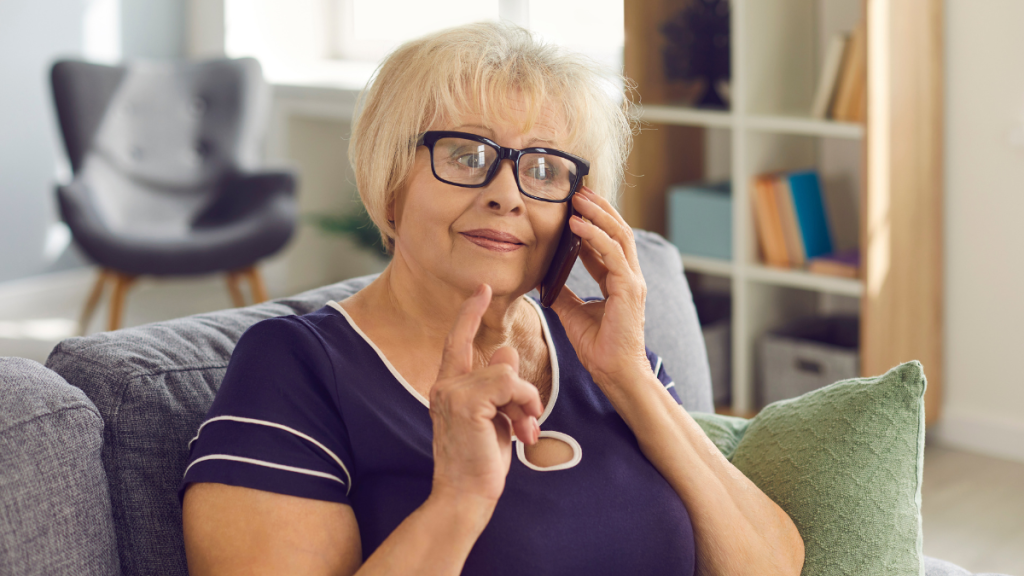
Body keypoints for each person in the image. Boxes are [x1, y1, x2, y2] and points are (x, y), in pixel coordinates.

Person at [180, 21, 804, 576]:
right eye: (466, 154)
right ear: (391, 184)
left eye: (543, 168)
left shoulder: (608, 357)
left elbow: (770, 565)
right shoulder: (297, 367)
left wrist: (630, 376)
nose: (507, 193)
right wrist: (460, 499)